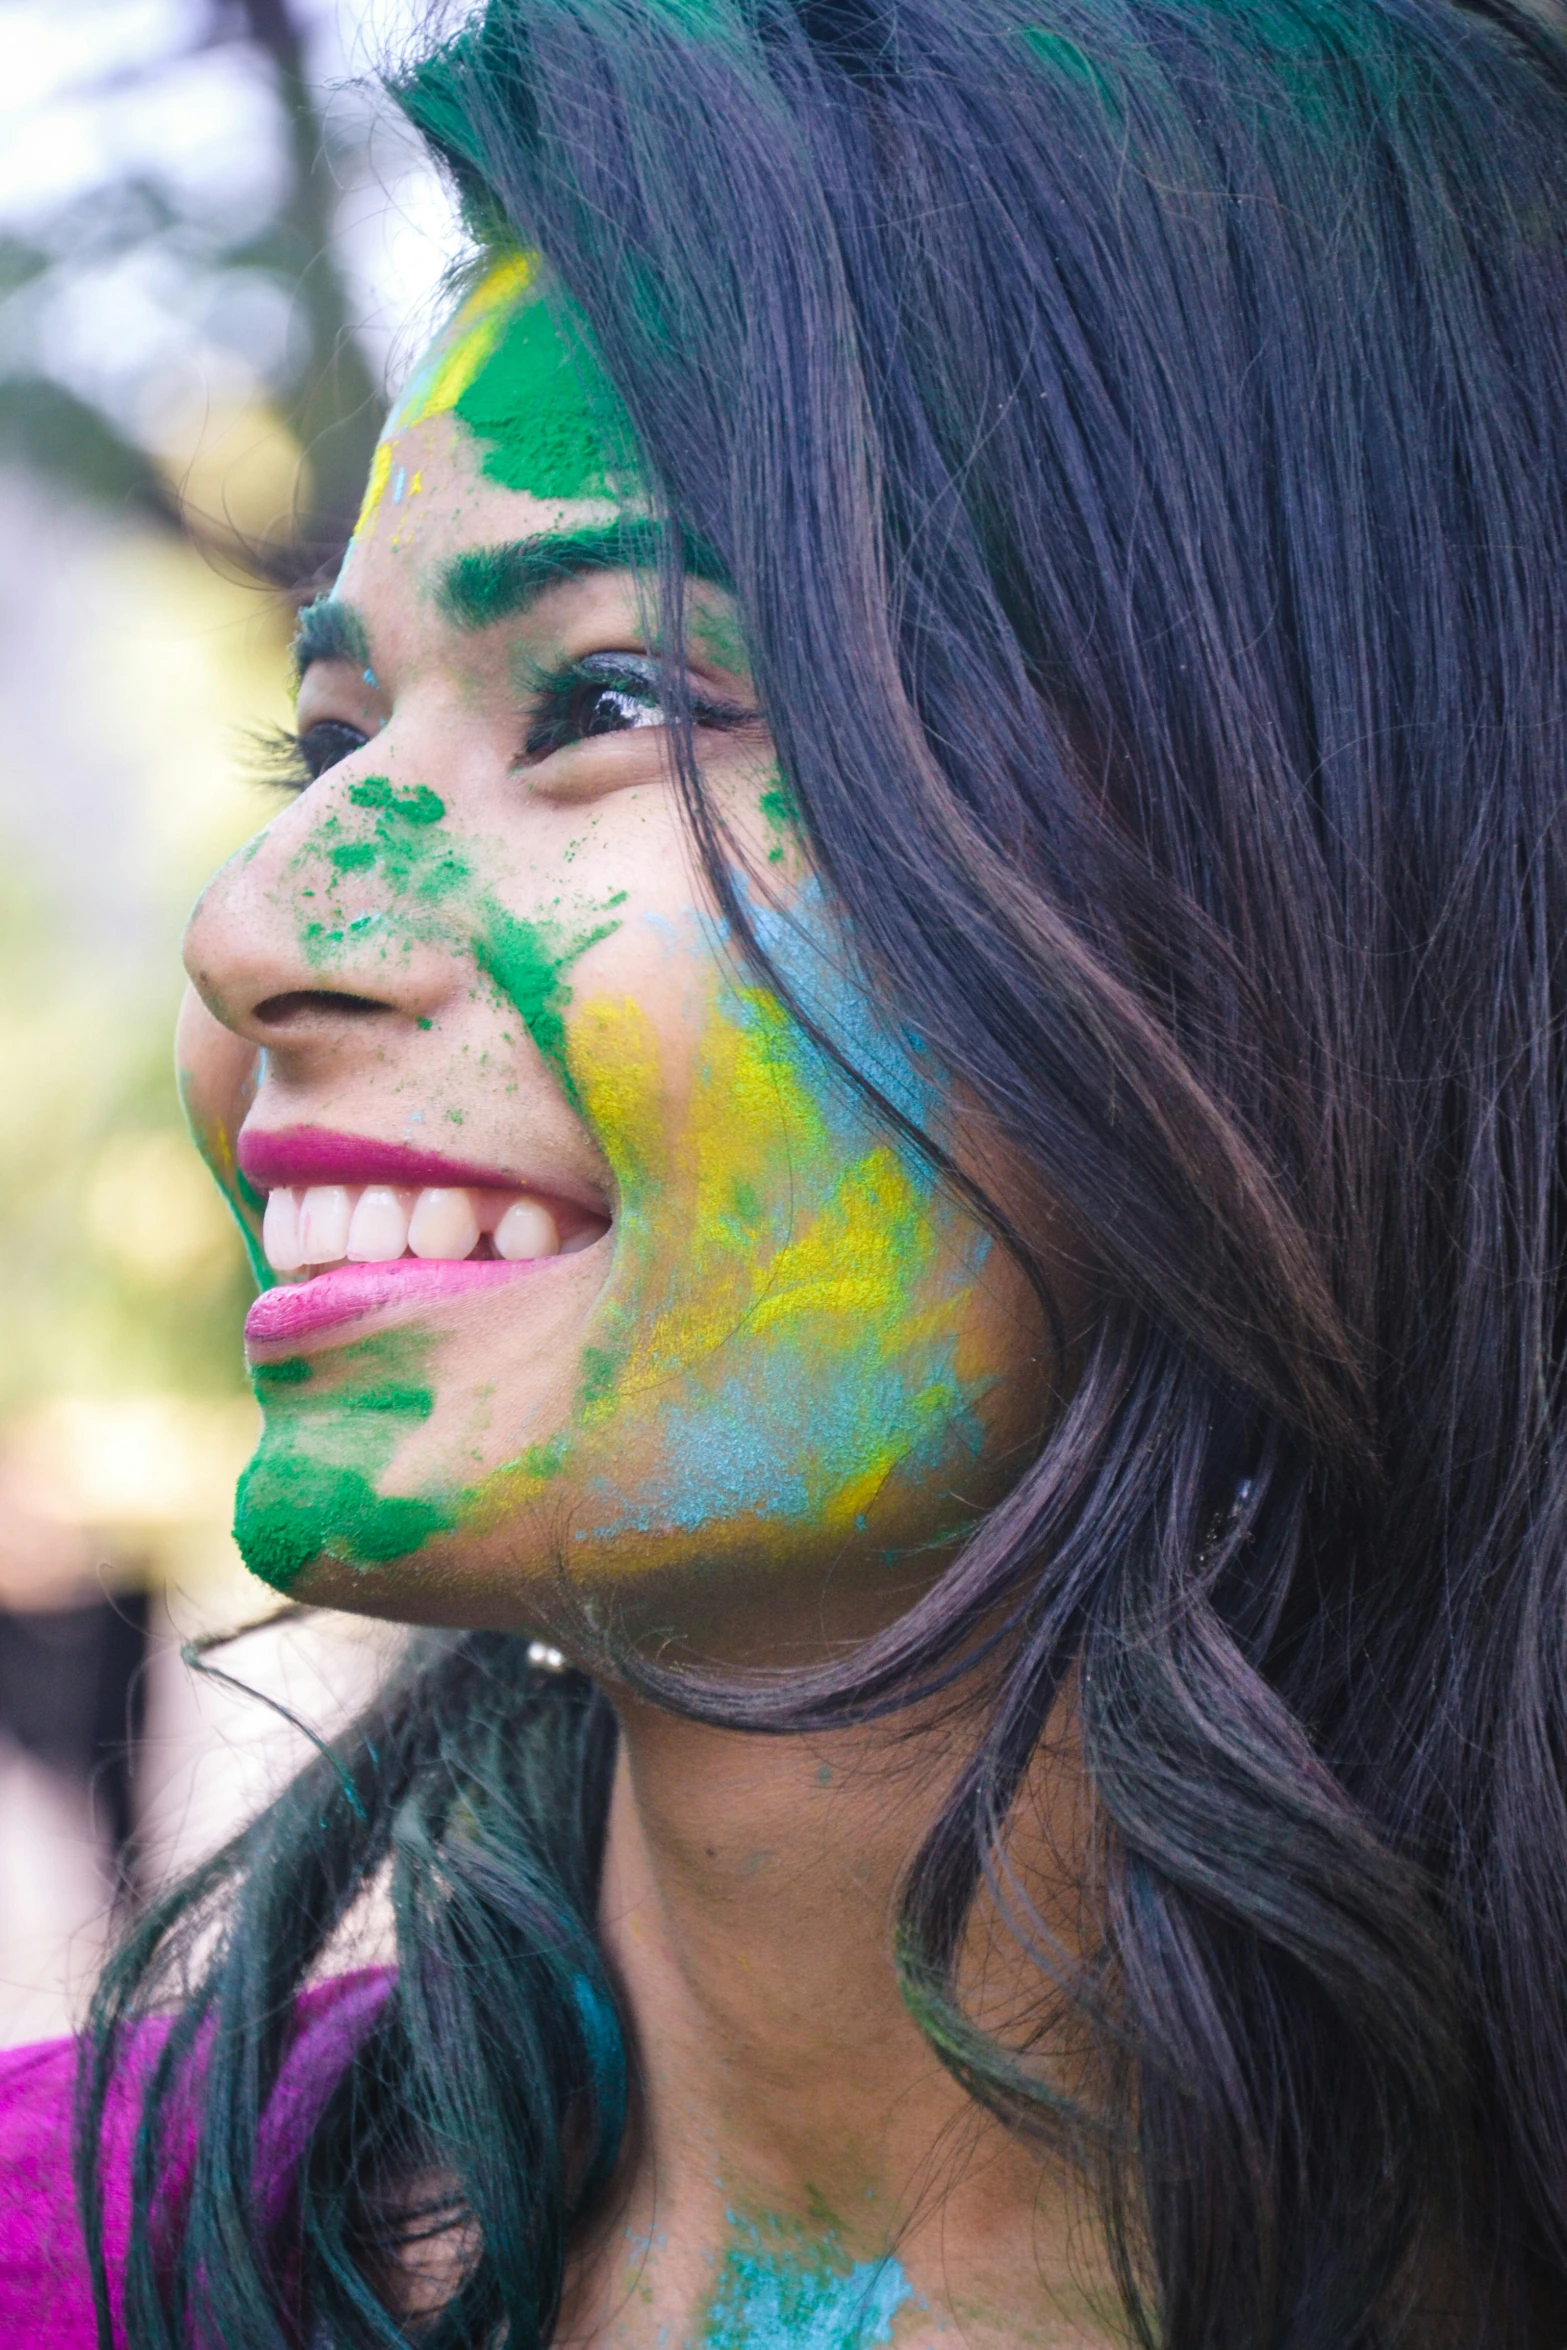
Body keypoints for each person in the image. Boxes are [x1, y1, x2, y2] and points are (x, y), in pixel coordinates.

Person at [5, 0, 1567, 2341]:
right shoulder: (76, 2259)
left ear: (1316, 878)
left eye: (614, 700)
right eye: (321, 741)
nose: (253, 930)